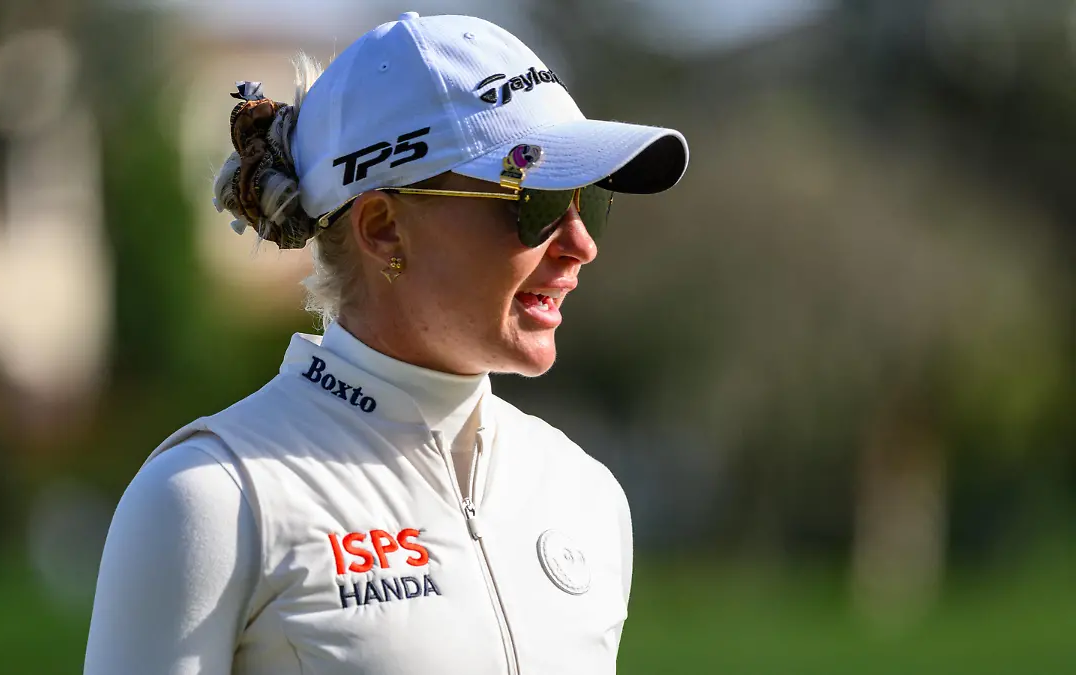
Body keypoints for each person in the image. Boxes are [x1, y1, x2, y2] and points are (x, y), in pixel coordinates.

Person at [84, 11, 687, 675]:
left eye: (587, 200)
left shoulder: (585, 494)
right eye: (536, 202)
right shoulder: (211, 498)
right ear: (382, 228)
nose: (581, 246)